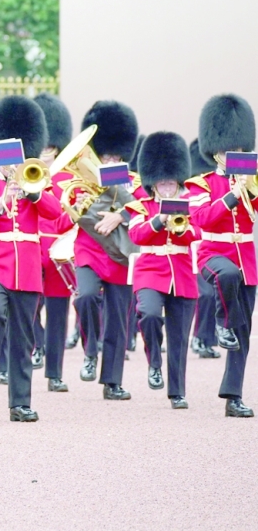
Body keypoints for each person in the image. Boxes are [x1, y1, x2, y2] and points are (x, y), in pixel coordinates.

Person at [0, 96, 63, 422]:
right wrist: (1, 199)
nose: (12, 163)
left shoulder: (35, 178)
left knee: (23, 336)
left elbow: (55, 212)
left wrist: (32, 191)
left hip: (27, 267)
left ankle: (20, 403)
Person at [188, 93, 256, 418]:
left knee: (243, 331)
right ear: (216, 150)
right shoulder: (200, 184)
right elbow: (202, 220)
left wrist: (248, 188)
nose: (236, 154)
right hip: (213, 254)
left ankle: (233, 396)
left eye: (241, 149)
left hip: (247, 260)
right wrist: (231, 193)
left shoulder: (252, 182)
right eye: (231, 149)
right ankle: (219, 322)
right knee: (226, 276)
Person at [70, 101, 145, 400]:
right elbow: (65, 214)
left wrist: (121, 215)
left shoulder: (135, 181)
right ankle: (90, 349)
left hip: (120, 256)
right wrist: (75, 208)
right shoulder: (81, 181)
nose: (111, 159)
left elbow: (145, 208)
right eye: (106, 154)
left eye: (116, 155)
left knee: (117, 317)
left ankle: (112, 382)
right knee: (85, 297)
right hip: (89, 249)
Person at [128, 132, 197, 409]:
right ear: (153, 184)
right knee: (148, 313)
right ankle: (154, 361)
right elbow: (136, 235)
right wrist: (159, 221)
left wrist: (181, 226)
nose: (167, 188)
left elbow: (197, 233)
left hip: (181, 273)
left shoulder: (190, 205)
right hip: (150, 271)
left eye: (171, 183)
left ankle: (177, 392)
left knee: (180, 336)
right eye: (162, 183)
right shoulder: (141, 207)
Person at [32, 94, 77, 392]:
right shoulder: (24, 173)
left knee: (59, 314)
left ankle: (55, 373)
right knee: (27, 309)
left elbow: (68, 218)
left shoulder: (70, 178)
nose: (46, 151)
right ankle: (36, 344)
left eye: (50, 146)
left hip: (58, 251)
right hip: (31, 250)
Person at [188, 138, 221, 359]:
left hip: (213, 243)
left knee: (213, 294)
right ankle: (199, 337)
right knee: (206, 294)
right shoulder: (194, 187)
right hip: (195, 246)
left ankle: (207, 338)